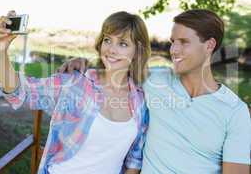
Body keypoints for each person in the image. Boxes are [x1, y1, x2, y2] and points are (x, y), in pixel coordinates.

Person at [59, 9, 251, 174]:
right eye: (172, 41)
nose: (174, 50)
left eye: (184, 42)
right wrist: (82, 63)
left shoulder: (235, 112)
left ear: (209, 45)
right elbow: (116, 67)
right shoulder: (153, 81)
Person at [0, 11, 151, 174]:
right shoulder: (76, 82)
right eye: (107, 40)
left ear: (138, 51)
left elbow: (134, 160)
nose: (111, 50)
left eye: (123, 44)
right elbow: (19, 92)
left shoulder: (141, 100)